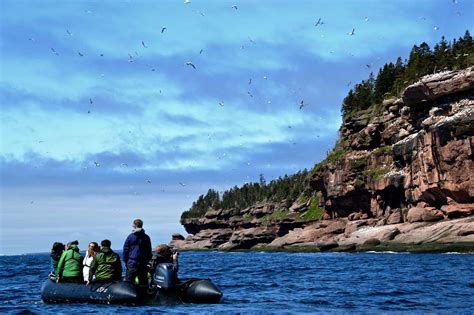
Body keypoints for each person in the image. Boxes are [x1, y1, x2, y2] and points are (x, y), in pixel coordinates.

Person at [123, 219, 152, 285]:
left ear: (134, 225)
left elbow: (125, 250)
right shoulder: (146, 237)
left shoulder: (131, 237)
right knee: (143, 282)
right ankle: (143, 294)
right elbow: (149, 251)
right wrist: (147, 261)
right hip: (143, 263)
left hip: (132, 262)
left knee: (129, 282)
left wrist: (126, 261)